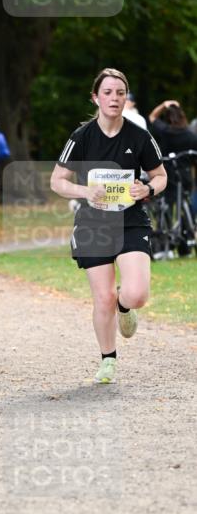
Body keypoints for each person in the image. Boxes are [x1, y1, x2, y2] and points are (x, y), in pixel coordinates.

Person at [50, 68, 166, 385]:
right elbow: (57, 181)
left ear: (125, 98)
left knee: (137, 293)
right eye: (108, 92)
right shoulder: (82, 137)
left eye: (120, 93)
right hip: (94, 223)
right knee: (102, 298)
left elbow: (161, 175)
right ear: (96, 97)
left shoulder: (139, 136)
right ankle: (108, 360)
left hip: (130, 221)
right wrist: (85, 191)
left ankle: (126, 308)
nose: (114, 98)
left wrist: (149, 189)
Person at [148, 99, 197, 211]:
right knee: (187, 200)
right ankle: (188, 225)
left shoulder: (166, 131)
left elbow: (152, 117)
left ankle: (168, 225)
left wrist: (163, 105)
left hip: (168, 172)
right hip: (186, 172)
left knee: (168, 201)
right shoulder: (191, 135)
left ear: (169, 117)